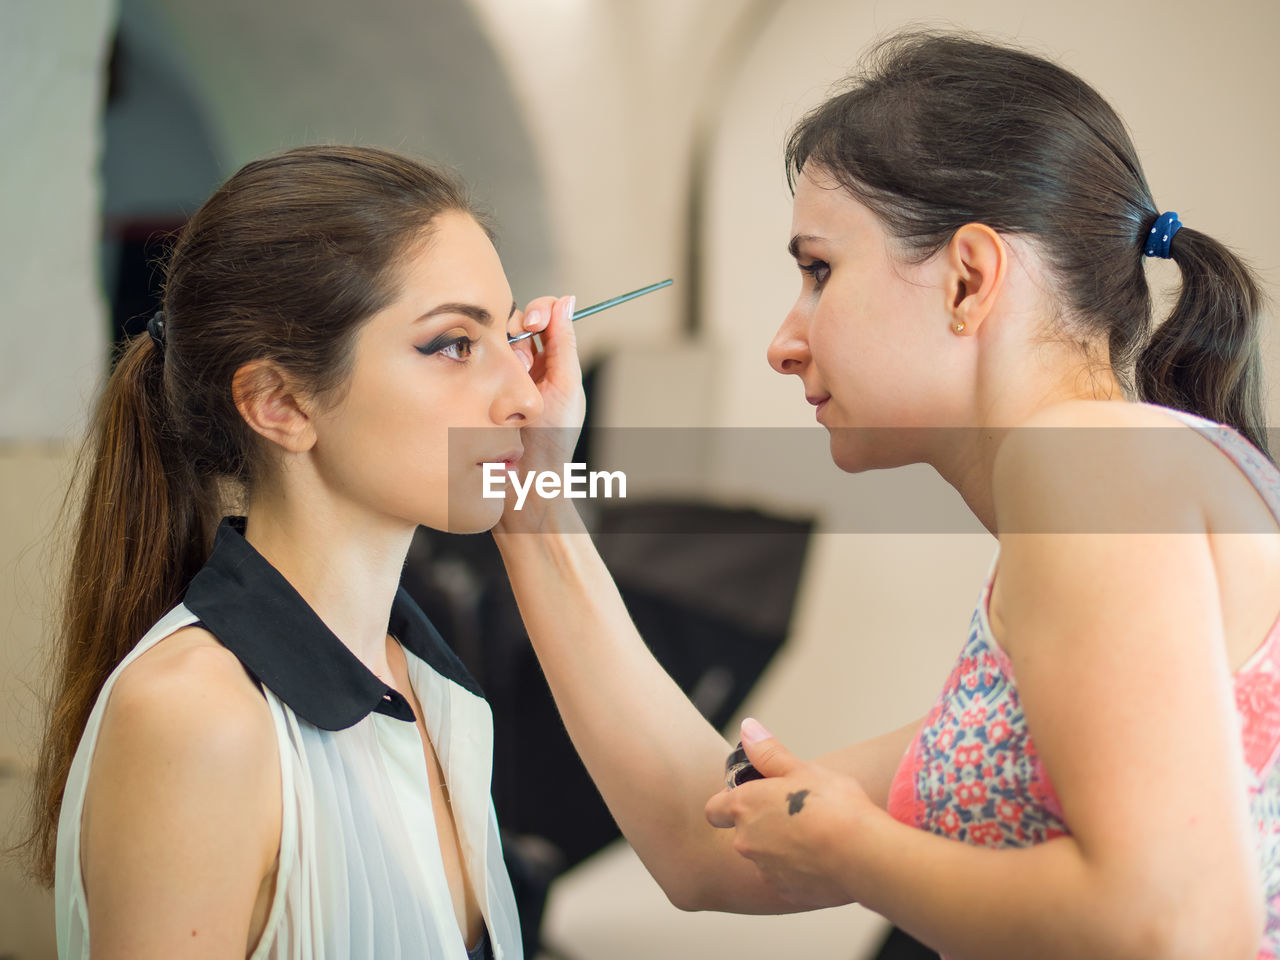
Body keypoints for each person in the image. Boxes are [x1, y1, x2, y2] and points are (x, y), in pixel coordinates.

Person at [491, 32, 1277, 959]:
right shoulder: (1122, 473)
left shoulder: (1083, 458)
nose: (785, 342)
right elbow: (708, 844)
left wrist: (857, 852)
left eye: (819, 270)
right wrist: (529, 493)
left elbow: (1175, 927)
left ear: (969, 279)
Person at [22, 145, 568, 958]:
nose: (527, 396)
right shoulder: (196, 719)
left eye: (510, 335)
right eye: (453, 343)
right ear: (279, 403)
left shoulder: (428, 685)